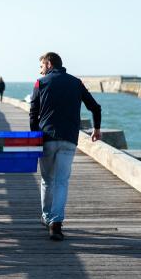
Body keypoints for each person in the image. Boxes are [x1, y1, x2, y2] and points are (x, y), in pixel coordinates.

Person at [29, 52, 101, 241]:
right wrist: (97, 129)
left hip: (46, 139)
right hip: (69, 139)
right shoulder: (76, 83)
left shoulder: (40, 83)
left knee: (47, 180)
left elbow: (33, 112)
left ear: (50, 64)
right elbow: (95, 107)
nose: (41, 70)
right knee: (61, 182)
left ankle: (46, 217)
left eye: (42, 66)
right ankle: (56, 224)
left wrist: (34, 136)